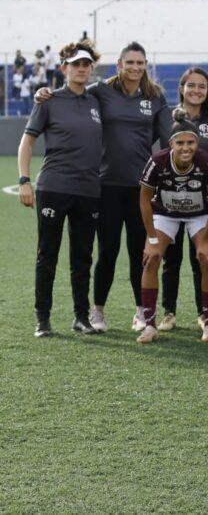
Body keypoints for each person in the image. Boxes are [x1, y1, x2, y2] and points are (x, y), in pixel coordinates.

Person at [34, 42, 172, 332]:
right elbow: (73, 93)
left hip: (141, 187)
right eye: (129, 62)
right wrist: (43, 92)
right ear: (119, 64)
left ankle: (142, 311)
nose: (135, 67)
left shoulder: (156, 97)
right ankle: (97, 311)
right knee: (107, 249)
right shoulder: (101, 91)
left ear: (146, 65)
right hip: (104, 185)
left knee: (139, 251)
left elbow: (167, 139)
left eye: (140, 62)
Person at [18, 41, 104, 337]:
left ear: (91, 68)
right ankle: (43, 319)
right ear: (64, 68)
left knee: (82, 256)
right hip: (54, 187)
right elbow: (27, 142)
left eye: (86, 64)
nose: (81, 69)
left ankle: (81, 317)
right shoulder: (49, 99)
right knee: (47, 254)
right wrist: (24, 180)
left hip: (89, 190)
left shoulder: (96, 101)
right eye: (75, 64)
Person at [136, 110, 208, 345]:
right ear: (171, 143)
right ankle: (150, 324)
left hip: (199, 215)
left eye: (191, 142)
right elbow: (144, 200)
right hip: (166, 215)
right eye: (180, 143)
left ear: (198, 142)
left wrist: (206, 237)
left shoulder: (206, 161)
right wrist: (152, 238)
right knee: (152, 257)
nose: (186, 148)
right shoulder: (157, 161)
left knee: (205, 257)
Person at [159, 68, 208, 329]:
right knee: (171, 258)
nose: (196, 91)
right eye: (191, 85)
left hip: (202, 199)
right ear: (182, 88)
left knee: (203, 257)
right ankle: (169, 312)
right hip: (172, 196)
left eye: (202, 86)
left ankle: (204, 313)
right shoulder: (167, 115)